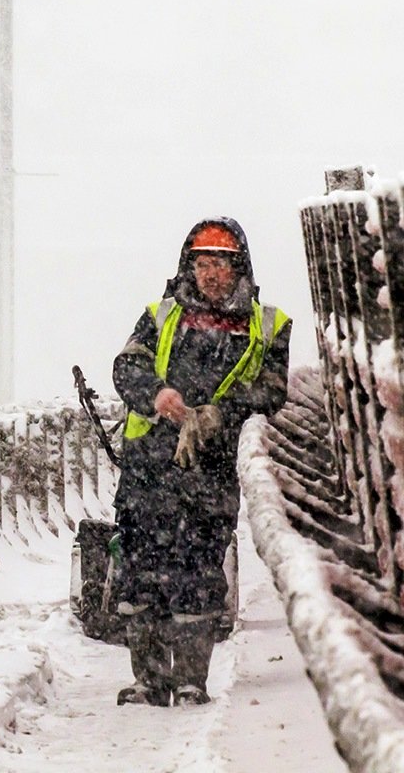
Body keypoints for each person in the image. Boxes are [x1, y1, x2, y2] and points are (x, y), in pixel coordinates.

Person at [110, 216, 290, 707]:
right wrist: (157, 394)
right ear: (190, 266)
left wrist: (220, 415)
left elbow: (273, 391)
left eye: (221, 265)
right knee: (141, 578)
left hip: (210, 474)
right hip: (149, 469)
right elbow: (127, 365)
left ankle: (191, 680)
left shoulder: (268, 325)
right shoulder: (162, 314)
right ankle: (148, 681)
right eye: (203, 263)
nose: (211, 274)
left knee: (198, 573)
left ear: (239, 269)